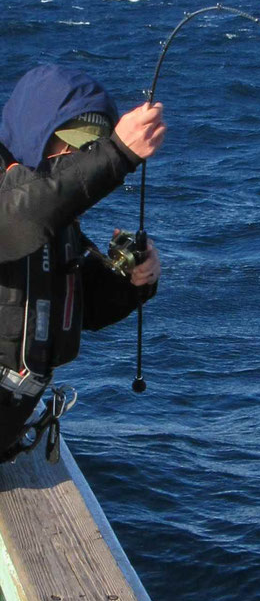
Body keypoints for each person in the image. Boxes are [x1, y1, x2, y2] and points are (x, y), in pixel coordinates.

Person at [0, 63, 166, 462]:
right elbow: (17, 220)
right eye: (75, 146)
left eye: (92, 147)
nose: (79, 159)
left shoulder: (57, 217)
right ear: (39, 135)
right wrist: (116, 155)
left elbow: (79, 307)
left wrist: (132, 281)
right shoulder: (22, 206)